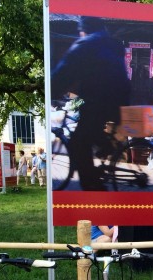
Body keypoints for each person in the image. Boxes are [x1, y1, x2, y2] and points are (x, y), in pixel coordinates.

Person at [51, 16, 131, 191]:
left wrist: (52, 89)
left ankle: (93, 186)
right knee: (91, 130)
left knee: (78, 142)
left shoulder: (85, 44)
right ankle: (105, 147)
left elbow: (63, 72)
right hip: (119, 100)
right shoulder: (110, 42)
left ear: (84, 29)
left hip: (100, 102)